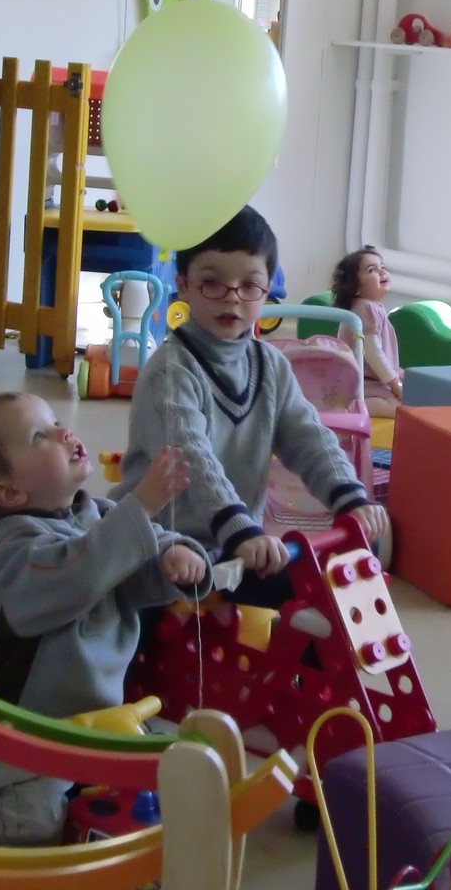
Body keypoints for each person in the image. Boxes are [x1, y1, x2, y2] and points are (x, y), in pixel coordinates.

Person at [0, 391, 210, 845]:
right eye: (39, 436)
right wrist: (140, 507)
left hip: (94, 719)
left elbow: (132, 563)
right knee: (30, 820)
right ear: (9, 493)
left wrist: (174, 559)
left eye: (55, 421)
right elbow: (83, 574)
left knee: (169, 770)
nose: (64, 432)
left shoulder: (96, 516)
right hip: (17, 735)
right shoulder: (16, 554)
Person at [113, 206, 389, 605]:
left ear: (267, 291)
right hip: (163, 545)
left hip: (231, 546)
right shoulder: (171, 372)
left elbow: (309, 437)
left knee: (323, 597)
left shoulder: (270, 364)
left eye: (249, 285)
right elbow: (193, 461)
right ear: (183, 286)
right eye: (212, 283)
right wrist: (240, 529)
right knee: (139, 640)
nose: (232, 298)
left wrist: (350, 496)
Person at [331, 246, 404, 417]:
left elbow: (379, 352)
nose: (381, 272)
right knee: (399, 407)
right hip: (362, 383)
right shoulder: (365, 308)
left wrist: (397, 371)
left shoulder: (372, 307)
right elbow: (373, 353)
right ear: (355, 287)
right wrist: (395, 383)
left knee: (405, 397)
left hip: (370, 380)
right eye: (372, 270)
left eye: (382, 267)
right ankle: (349, 407)